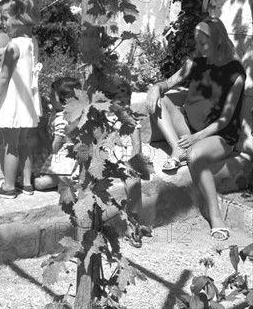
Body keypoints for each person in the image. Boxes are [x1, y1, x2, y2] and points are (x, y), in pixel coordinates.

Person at [145, 17, 246, 241]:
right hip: (189, 125)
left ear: (219, 40)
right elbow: (168, 83)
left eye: (203, 43)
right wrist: (155, 87)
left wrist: (195, 138)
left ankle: (215, 215)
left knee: (195, 155)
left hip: (219, 135)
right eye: (197, 42)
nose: (198, 48)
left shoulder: (235, 72)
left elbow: (225, 119)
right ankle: (176, 149)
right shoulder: (195, 62)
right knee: (161, 101)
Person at [0, 0, 42, 198]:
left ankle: (8, 186)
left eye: (5, 18)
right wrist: (2, 52)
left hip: (14, 100)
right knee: (24, 141)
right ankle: (26, 183)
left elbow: (3, 77)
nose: (2, 23)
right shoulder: (32, 41)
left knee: (11, 144)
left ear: (18, 19)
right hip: (28, 101)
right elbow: (22, 56)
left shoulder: (12, 46)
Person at [104, 78, 153, 248]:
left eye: (126, 101)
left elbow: (137, 145)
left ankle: (132, 225)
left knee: (134, 182)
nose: (124, 106)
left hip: (124, 160)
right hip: (105, 160)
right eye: (119, 102)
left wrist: (132, 164)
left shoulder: (131, 120)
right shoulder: (103, 119)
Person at [33, 76, 81, 191]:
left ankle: (64, 179)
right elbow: (51, 107)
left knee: (39, 184)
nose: (49, 97)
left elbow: (54, 148)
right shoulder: (63, 111)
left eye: (52, 95)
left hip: (63, 163)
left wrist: (41, 132)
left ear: (65, 101)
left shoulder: (62, 121)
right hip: (62, 161)